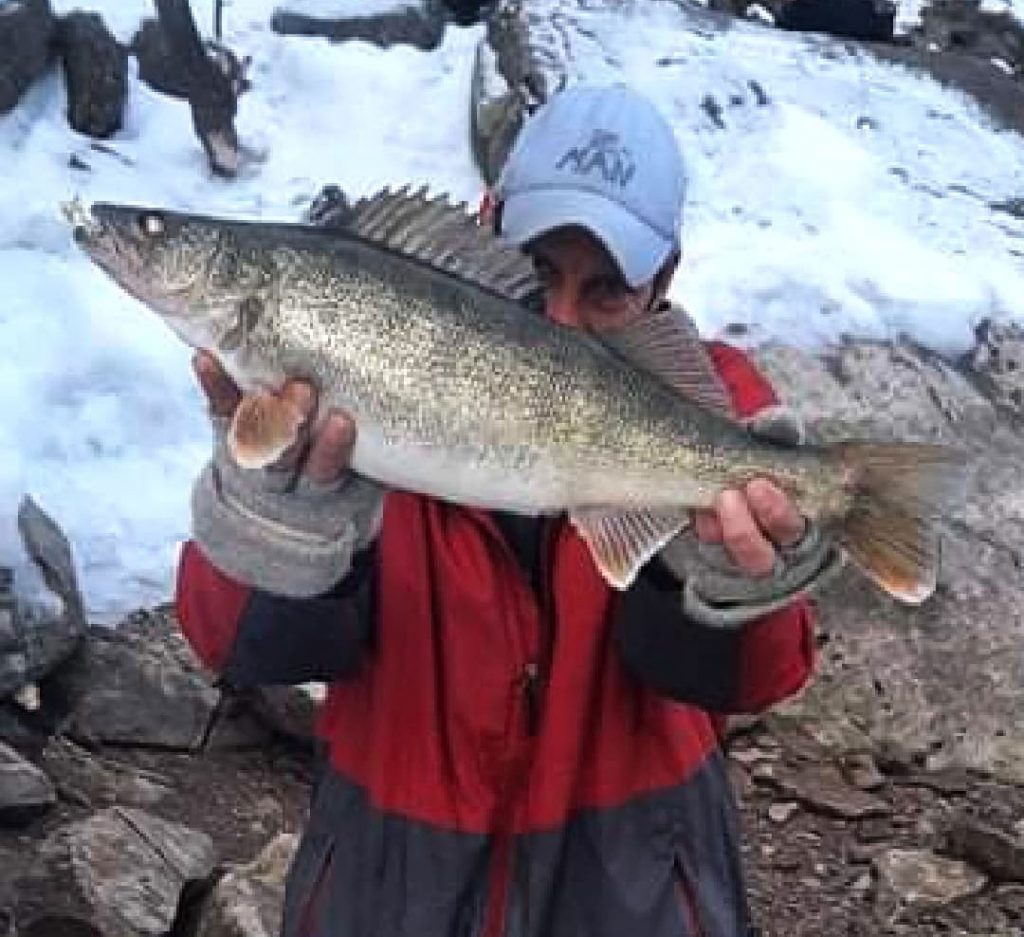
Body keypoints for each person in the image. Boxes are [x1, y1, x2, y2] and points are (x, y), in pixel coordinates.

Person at [176, 83, 838, 937]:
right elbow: (227, 644)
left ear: (663, 282)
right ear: (487, 219)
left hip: (632, 885)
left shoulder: (717, 406)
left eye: (606, 291)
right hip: (393, 877)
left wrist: (720, 591)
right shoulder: (367, 380)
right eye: (537, 270)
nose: (561, 316)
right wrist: (270, 530)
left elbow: (761, 677)